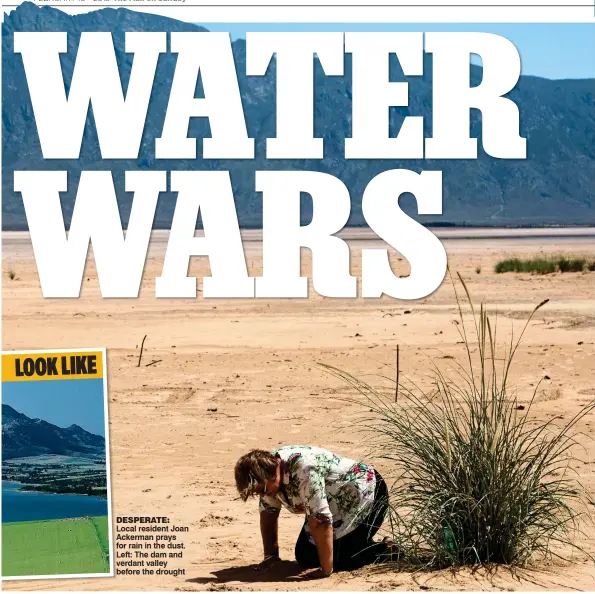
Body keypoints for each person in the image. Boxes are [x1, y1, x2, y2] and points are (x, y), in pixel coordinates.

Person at [234, 445, 390, 578]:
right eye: (257, 492)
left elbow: (320, 521)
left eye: (263, 489)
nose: (263, 494)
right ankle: (357, 544)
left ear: (272, 474)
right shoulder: (268, 472)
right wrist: (271, 557)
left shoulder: (304, 470)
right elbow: (268, 513)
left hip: (367, 495)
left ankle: (385, 550)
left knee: (340, 560)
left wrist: (326, 570)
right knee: (306, 556)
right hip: (333, 504)